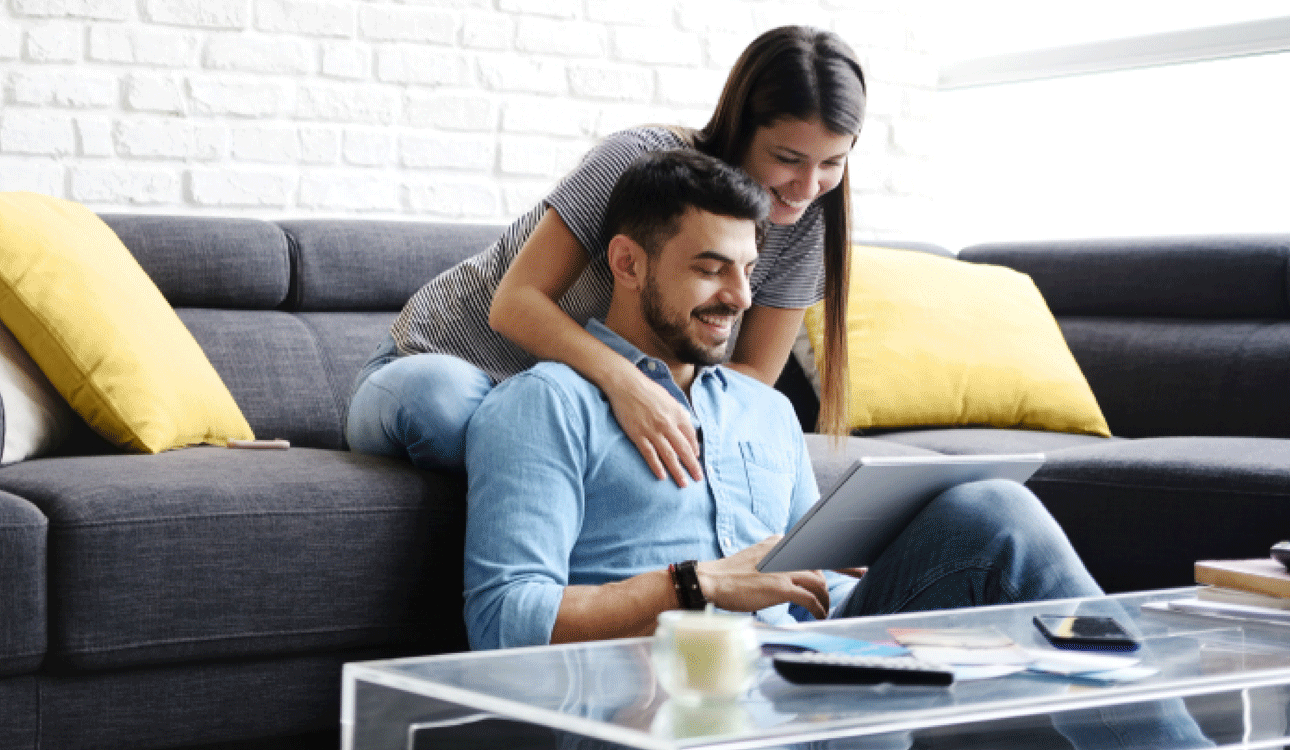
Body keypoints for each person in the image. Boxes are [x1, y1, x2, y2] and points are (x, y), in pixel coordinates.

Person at [457, 148, 1214, 749]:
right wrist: (696, 586)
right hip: (665, 713)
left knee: (994, 508)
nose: (741, 298)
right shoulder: (544, 404)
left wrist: (892, 581)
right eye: (710, 268)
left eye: (749, 270)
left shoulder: (763, 410)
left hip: (815, 695)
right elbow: (503, 620)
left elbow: (810, 594)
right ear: (627, 264)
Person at [346, 25, 862, 477]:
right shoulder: (637, 162)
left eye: (831, 164)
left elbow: (751, 379)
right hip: (448, 366)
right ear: (741, 126)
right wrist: (629, 388)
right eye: (788, 158)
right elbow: (515, 304)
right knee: (447, 410)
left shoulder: (806, 226)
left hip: (571, 407)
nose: (807, 186)